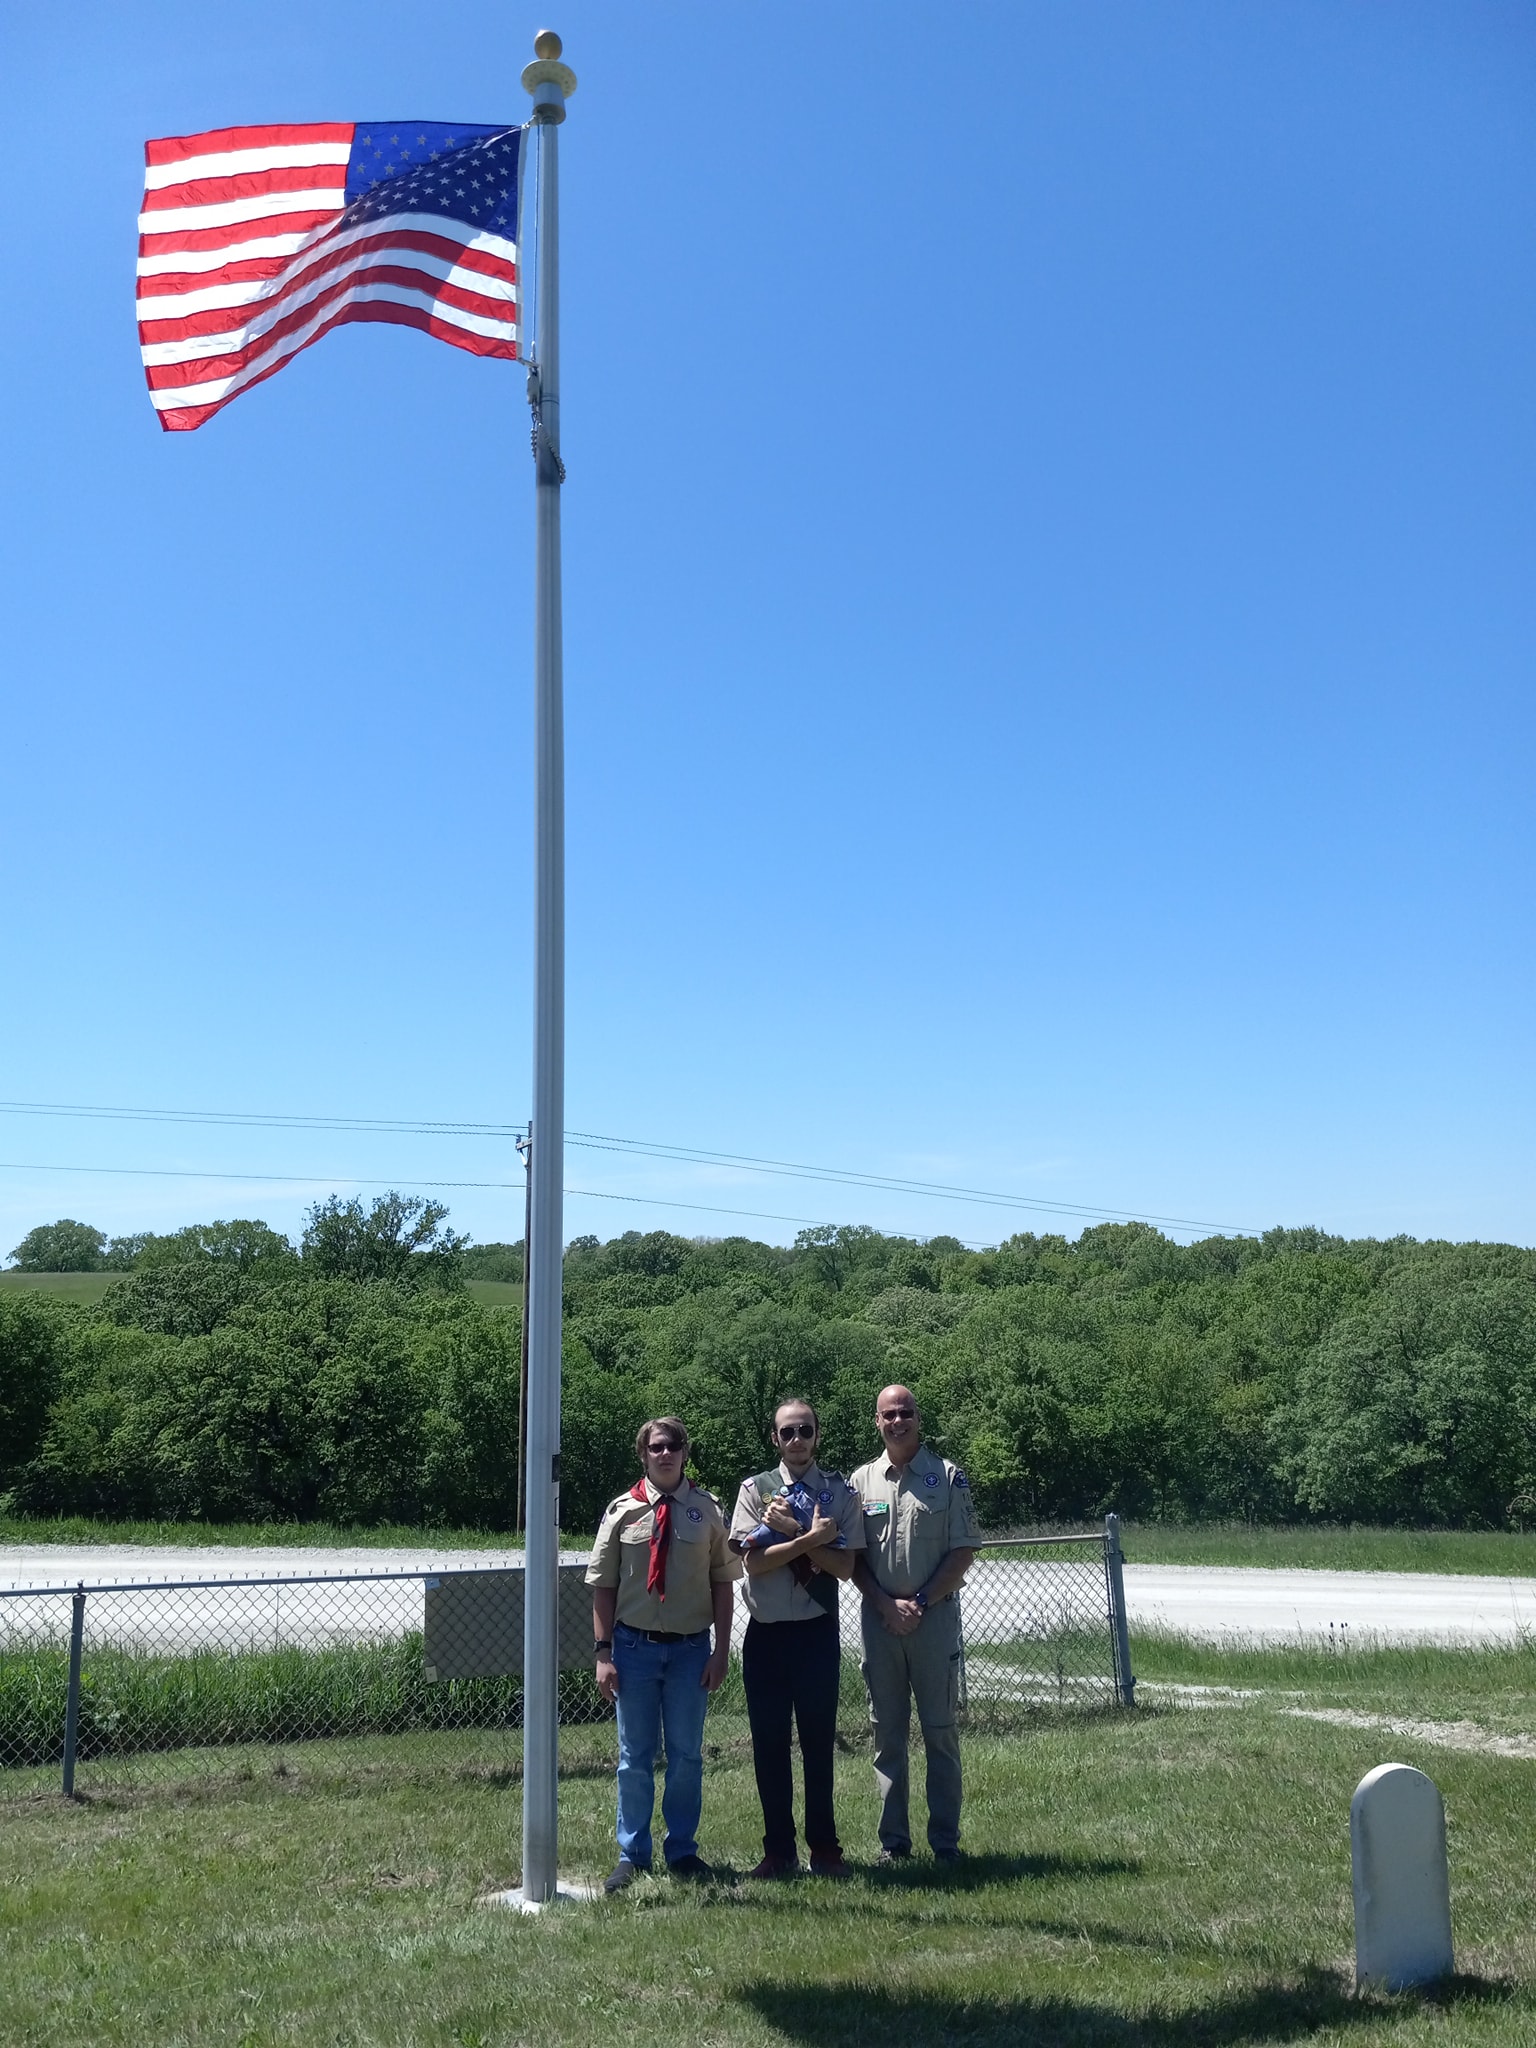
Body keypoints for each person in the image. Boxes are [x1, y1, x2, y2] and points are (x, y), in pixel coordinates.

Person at [586, 1416, 741, 1893]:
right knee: (634, 1757)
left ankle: (683, 1850)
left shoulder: (707, 1510)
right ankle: (632, 1853)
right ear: (643, 1454)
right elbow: (603, 1587)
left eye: (673, 1445)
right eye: (656, 1446)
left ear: (684, 1452)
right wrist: (602, 1653)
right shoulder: (621, 1513)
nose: (665, 1453)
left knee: (687, 1756)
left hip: (691, 1651)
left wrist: (720, 1650)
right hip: (633, 1650)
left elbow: (722, 1582)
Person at [729, 1398, 864, 1880]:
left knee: (818, 1744)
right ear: (775, 1439)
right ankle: (778, 1850)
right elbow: (753, 1561)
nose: (796, 1440)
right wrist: (809, 1538)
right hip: (766, 1637)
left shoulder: (839, 1492)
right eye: (787, 1432)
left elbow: (846, 1568)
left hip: (815, 1635)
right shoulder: (755, 1491)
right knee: (769, 1746)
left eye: (804, 1430)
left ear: (817, 1435)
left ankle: (826, 1849)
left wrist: (792, 1531)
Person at [850, 1384, 979, 1863]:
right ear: (877, 1421)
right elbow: (852, 1558)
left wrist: (920, 1602)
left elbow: (962, 1551)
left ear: (917, 1418)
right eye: (889, 1414)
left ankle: (946, 1843)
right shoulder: (861, 1482)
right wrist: (884, 1604)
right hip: (880, 1625)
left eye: (905, 1412)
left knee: (940, 1731)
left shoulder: (946, 1477)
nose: (898, 1421)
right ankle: (894, 1845)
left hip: (933, 1621)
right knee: (887, 1734)